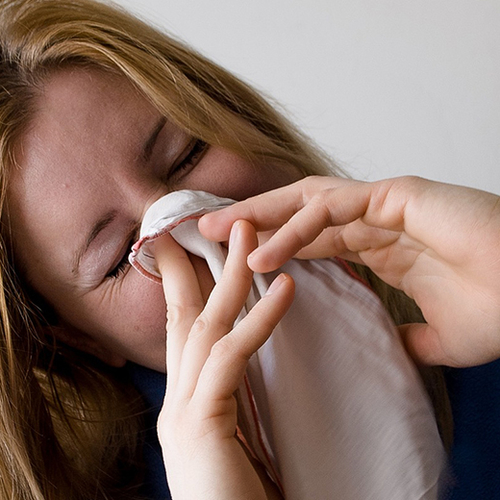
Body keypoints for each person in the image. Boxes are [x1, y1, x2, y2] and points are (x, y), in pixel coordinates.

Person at [0, 0, 498, 498]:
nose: (195, 226)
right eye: (118, 256)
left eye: (187, 154)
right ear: (80, 339)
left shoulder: (478, 313)